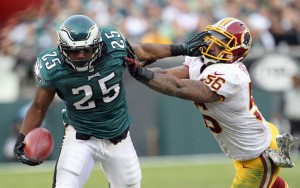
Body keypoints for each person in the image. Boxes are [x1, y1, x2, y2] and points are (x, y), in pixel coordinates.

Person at [13, 14, 210, 188]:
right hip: (80, 136)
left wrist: (181, 49)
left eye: (87, 50)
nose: (81, 55)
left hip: (118, 136)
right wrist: (22, 139)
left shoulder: (113, 46)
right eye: (74, 51)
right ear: (63, 49)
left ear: (98, 45)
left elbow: (143, 51)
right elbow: (39, 106)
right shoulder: (52, 67)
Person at [126, 17, 298, 187]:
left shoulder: (232, 75)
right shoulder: (202, 61)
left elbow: (180, 88)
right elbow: (167, 75)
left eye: (222, 40)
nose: (212, 43)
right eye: (214, 36)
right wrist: (139, 71)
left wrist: (143, 74)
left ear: (235, 50)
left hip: (257, 155)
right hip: (251, 145)